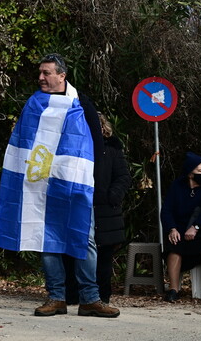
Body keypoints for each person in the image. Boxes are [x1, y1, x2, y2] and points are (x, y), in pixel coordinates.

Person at [0, 53, 120, 318]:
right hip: (40, 185)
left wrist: (91, 182)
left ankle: (90, 299)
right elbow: (23, 142)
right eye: (40, 73)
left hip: (75, 185)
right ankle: (56, 298)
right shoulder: (33, 104)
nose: (41, 77)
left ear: (62, 76)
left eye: (46, 73)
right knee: (47, 239)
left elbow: (97, 146)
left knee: (84, 240)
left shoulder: (81, 103)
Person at [64, 112, 132, 304]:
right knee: (71, 253)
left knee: (103, 256)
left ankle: (102, 296)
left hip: (104, 210)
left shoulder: (111, 149)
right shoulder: (72, 148)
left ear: (103, 128)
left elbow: (123, 176)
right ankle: (73, 294)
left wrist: (112, 196)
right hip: (77, 206)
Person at [160, 152, 201, 303]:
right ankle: (174, 289)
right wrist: (172, 229)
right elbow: (166, 210)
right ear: (190, 174)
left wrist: (196, 227)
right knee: (174, 247)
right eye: (200, 171)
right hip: (180, 228)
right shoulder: (177, 186)